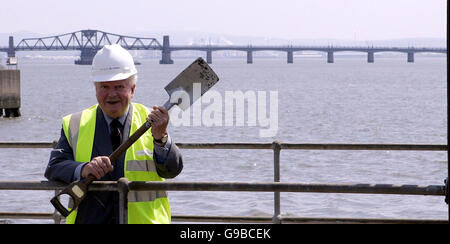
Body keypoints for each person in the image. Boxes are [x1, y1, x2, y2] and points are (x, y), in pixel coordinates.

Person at [45, 44, 183, 224]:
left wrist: (161, 138)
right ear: (96, 89)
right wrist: (84, 169)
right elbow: (54, 167)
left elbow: (172, 170)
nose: (111, 94)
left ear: (132, 89)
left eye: (119, 86)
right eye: (104, 87)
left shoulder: (154, 122)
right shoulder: (75, 123)